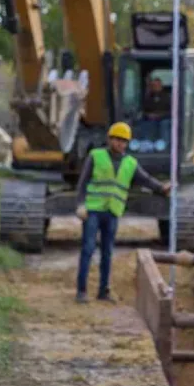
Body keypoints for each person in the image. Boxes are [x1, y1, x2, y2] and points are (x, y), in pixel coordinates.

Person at [74, 122, 172, 303]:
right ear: (110, 139)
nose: (120, 144)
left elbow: (146, 180)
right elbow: (82, 183)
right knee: (88, 249)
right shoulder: (96, 156)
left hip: (112, 212)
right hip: (93, 211)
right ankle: (81, 291)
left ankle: (103, 291)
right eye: (117, 140)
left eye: (124, 141)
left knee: (107, 252)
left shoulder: (130, 163)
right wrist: (80, 205)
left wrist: (161, 188)